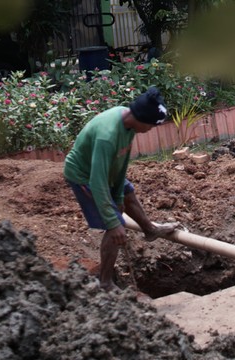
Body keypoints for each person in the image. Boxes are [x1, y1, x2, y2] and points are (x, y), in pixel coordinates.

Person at [64, 86, 178, 291]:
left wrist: (118, 197)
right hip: (84, 176)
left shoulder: (128, 124)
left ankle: (150, 230)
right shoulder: (107, 135)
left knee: (128, 193)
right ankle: (106, 282)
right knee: (115, 227)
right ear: (142, 119)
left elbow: (121, 163)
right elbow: (98, 182)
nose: (150, 130)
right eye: (151, 126)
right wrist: (113, 220)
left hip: (106, 171)